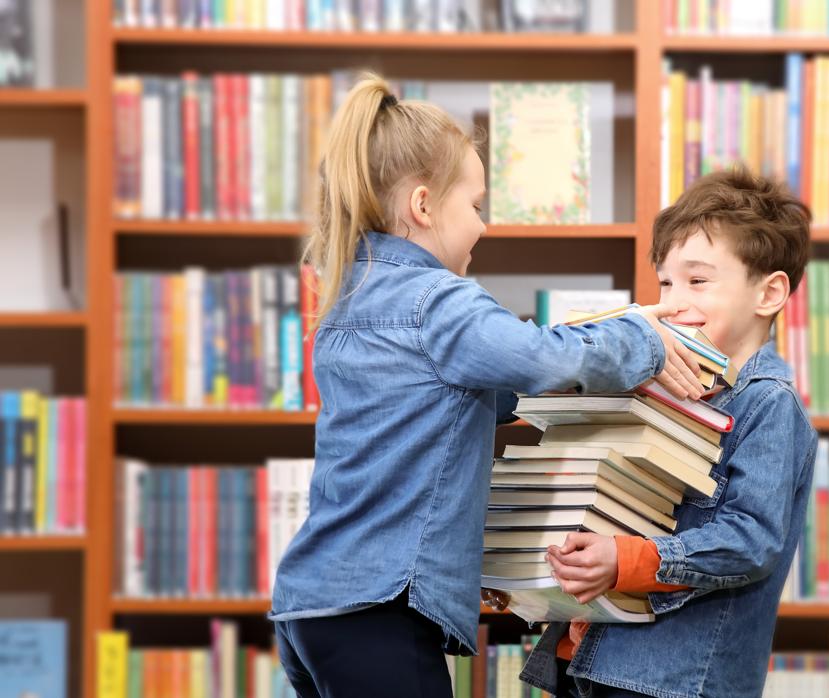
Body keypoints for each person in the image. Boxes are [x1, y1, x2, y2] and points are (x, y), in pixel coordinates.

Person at [268, 73, 703, 698]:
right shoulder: (436, 302)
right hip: (379, 610)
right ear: (422, 206)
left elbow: (468, 397)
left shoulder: (351, 298)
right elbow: (538, 359)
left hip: (311, 608)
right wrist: (643, 339)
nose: (484, 227)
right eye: (475, 207)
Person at [507, 168, 817, 698]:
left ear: (769, 293)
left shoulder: (768, 403)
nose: (673, 302)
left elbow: (750, 540)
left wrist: (625, 559)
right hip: (591, 662)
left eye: (698, 281)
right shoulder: (659, 389)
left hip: (673, 680)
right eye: (666, 282)